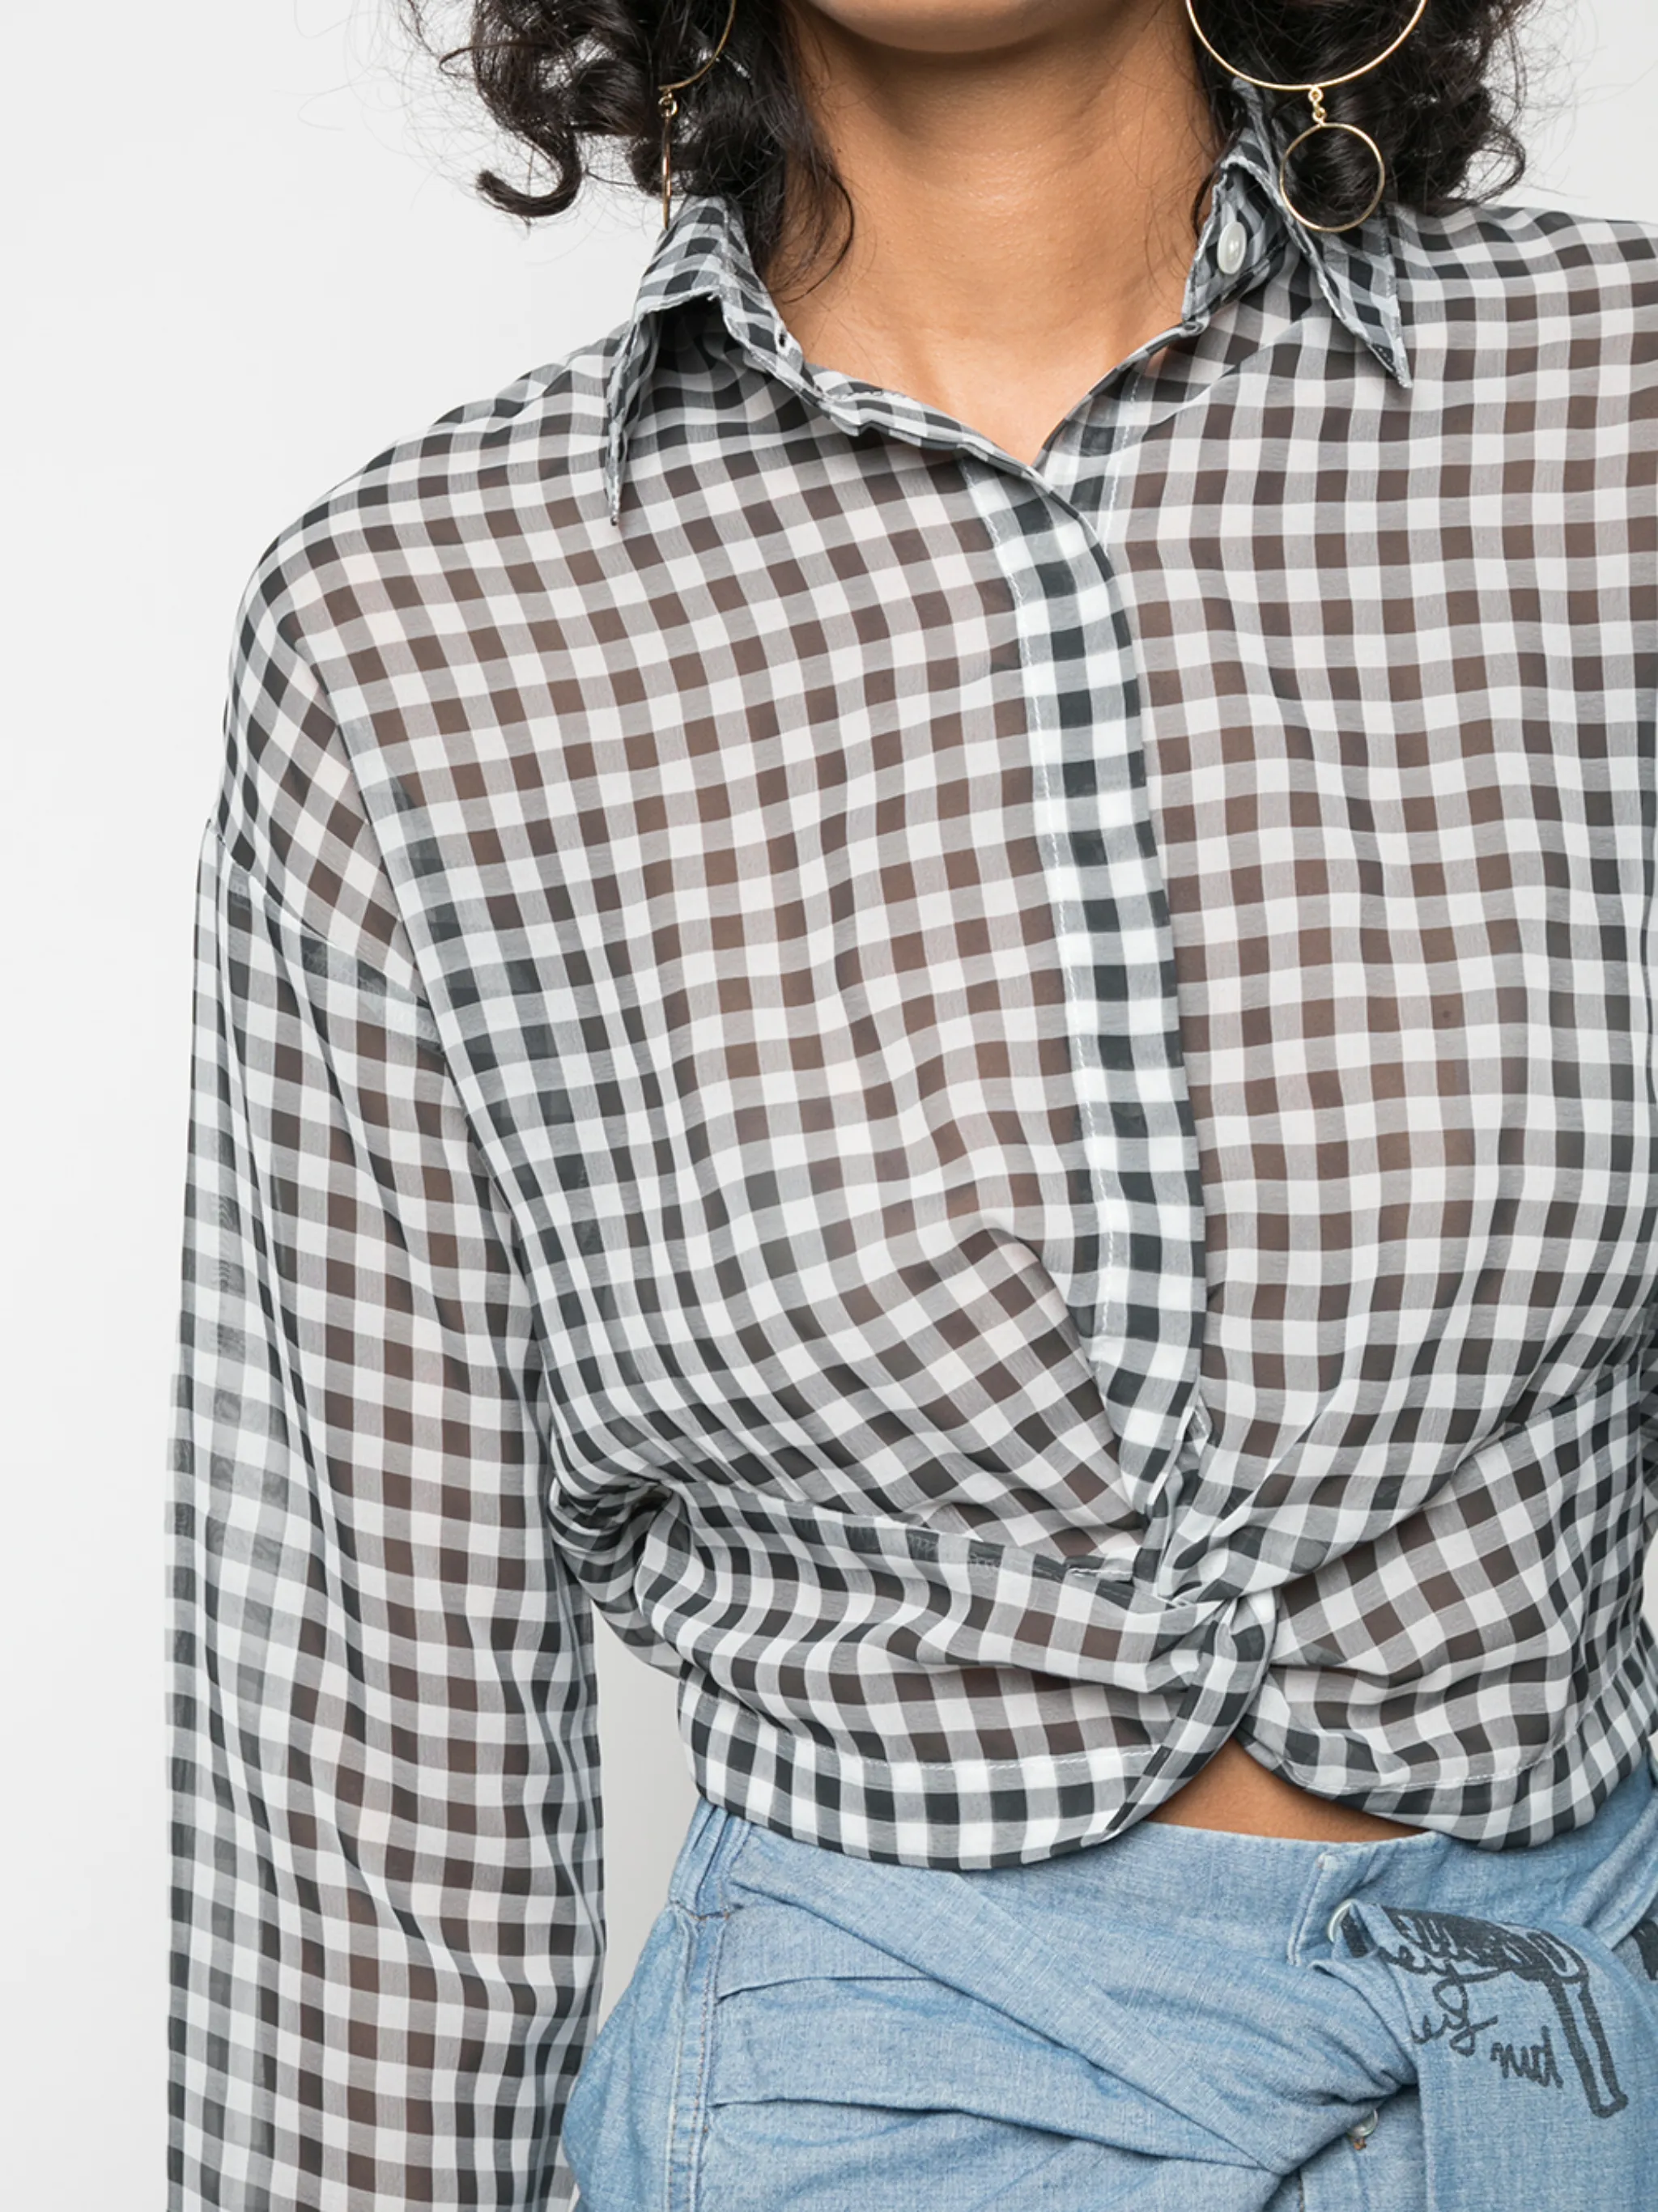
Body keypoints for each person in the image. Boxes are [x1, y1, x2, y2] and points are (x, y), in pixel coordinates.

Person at [166, 0, 1658, 2205]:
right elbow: (379, 1738)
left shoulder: (1612, 416)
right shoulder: (412, 630)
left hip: (1591, 2056)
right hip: (861, 2117)